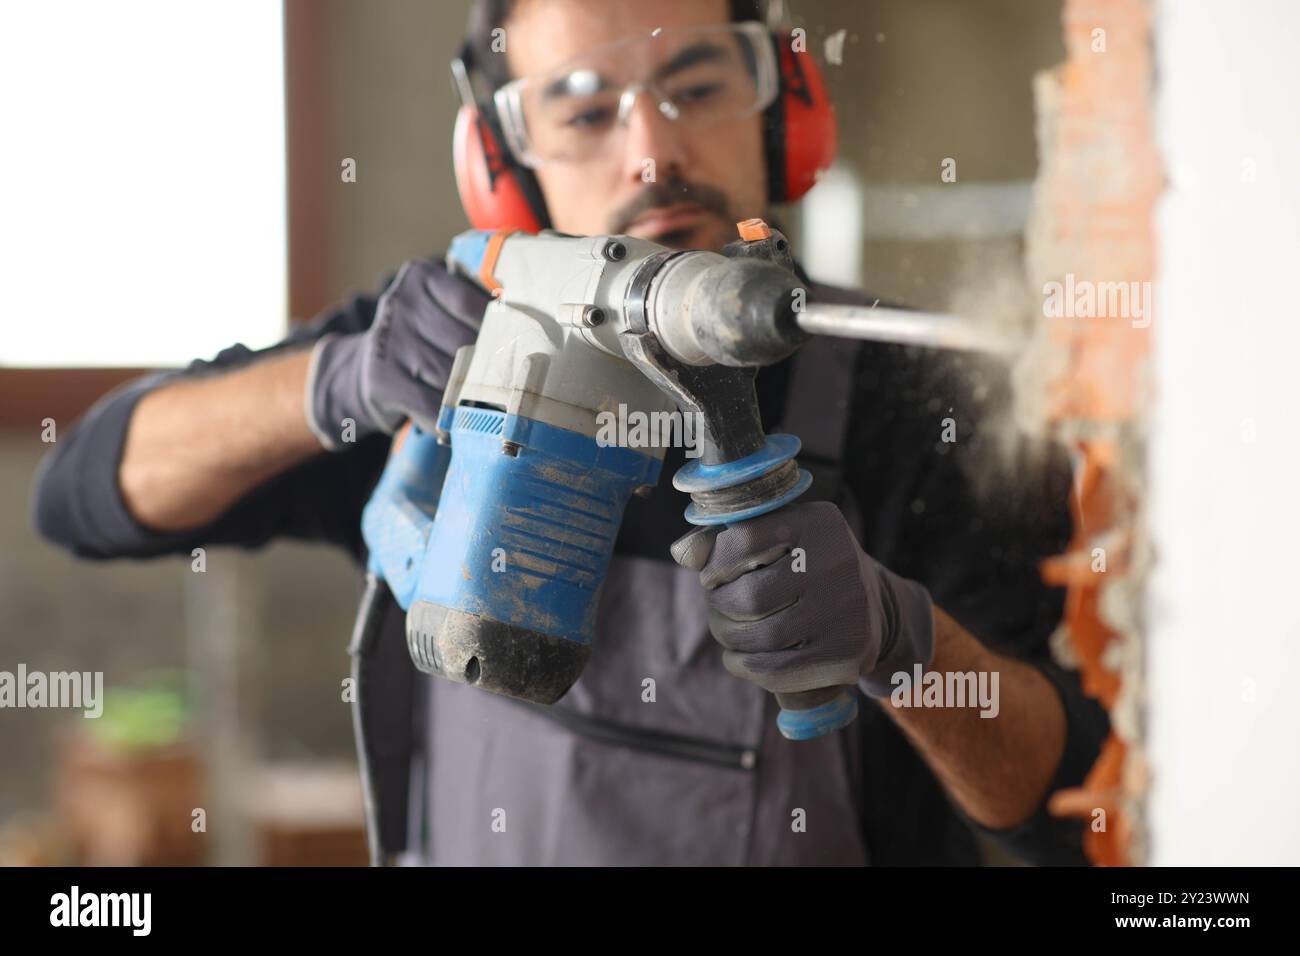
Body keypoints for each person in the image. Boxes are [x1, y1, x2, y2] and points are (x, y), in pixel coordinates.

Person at [32, 0, 1107, 865]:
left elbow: (1064, 801)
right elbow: (82, 494)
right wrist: (330, 381)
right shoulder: (439, 345)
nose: (652, 151)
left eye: (695, 85)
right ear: (501, 165)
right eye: (585, 111)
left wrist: (907, 646)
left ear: (784, 107)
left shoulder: (917, 393)